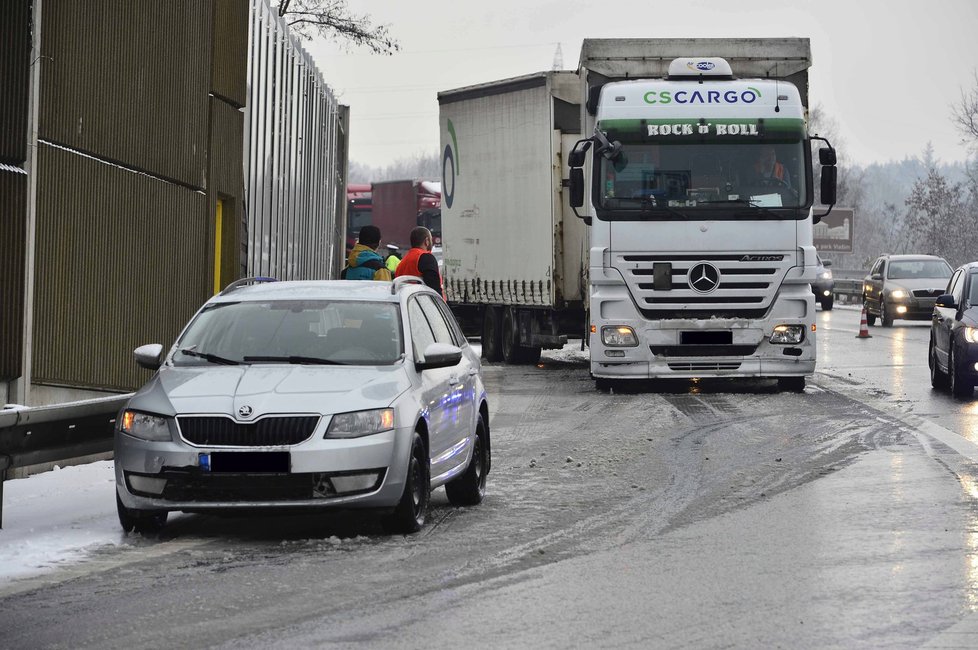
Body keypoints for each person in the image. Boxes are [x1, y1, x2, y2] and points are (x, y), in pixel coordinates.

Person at [395, 226, 442, 295]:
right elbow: (434, 289)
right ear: (426, 241)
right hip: (422, 302)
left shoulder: (403, 261)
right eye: (431, 240)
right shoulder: (426, 257)